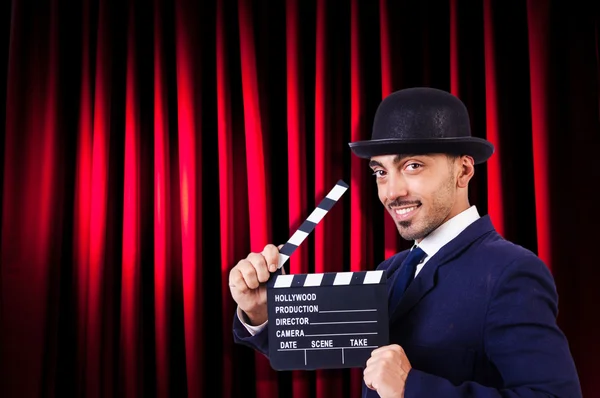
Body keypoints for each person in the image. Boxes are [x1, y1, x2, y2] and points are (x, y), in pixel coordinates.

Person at [228, 87, 582, 397]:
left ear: (464, 170)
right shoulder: (391, 271)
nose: (392, 192)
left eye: (413, 166)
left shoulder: (511, 272)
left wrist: (411, 387)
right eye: (381, 172)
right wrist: (260, 311)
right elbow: (313, 342)